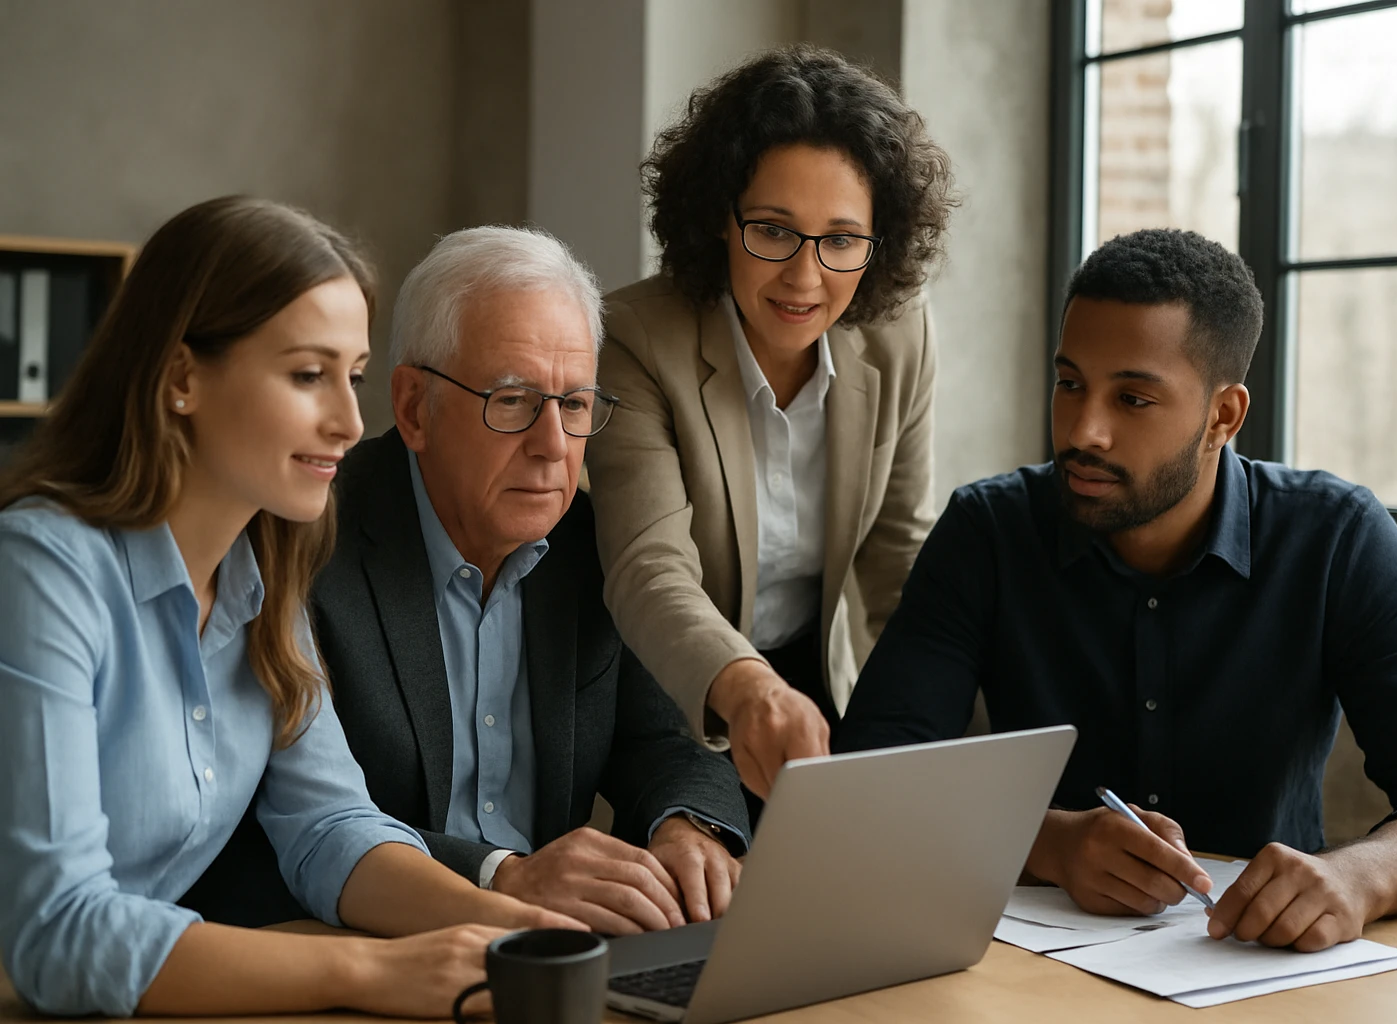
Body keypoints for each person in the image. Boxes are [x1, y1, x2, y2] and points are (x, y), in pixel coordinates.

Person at [835, 228, 1397, 952]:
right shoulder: (988, 532)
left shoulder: (1335, 538)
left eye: (1132, 399)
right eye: (1070, 383)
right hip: (1032, 978)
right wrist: (1050, 845)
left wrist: (1359, 877)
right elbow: (873, 778)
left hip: (1262, 975)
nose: (1084, 430)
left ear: (1223, 417)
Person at [0, 198, 579, 1018]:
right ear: (180, 379)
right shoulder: (40, 570)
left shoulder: (261, 574)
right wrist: (371, 973)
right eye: (309, 375)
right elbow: (59, 930)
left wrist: (521, 931)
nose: (349, 423)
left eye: (353, 377)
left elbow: (329, 825)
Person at [188, 226, 750, 936]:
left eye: (574, 404)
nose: (552, 447)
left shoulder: (598, 545)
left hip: (548, 963)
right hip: (348, 949)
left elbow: (665, 740)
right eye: (512, 400)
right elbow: (283, 828)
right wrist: (500, 878)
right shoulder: (296, 536)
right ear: (416, 408)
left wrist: (686, 832)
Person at [585, 45, 958, 801]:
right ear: (719, 217)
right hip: (679, 698)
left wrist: (935, 752)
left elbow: (896, 561)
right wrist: (750, 689)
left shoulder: (898, 332)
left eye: (843, 240)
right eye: (774, 229)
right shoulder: (631, 337)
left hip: (819, 693)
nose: (805, 275)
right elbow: (648, 570)